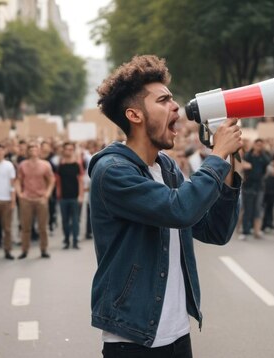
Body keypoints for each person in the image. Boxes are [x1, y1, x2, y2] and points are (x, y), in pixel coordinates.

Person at [89, 55, 242, 357]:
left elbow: (214, 230)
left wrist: (232, 163)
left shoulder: (167, 167)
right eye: (164, 100)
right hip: (133, 339)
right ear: (134, 115)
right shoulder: (112, 171)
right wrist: (217, 157)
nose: (176, 107)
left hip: (177, 334)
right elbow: (179, 209)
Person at [15, 142, 55, 259]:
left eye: (35, 148)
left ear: (39, 151)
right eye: (30, 148)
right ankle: (24, 250)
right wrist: (20, 194)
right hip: (27, 198)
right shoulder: (22, 165)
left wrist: (47, 194)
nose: (33, 150)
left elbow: (51, 180)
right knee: (25, 227)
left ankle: (44, 249)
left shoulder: (45, 165)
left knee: (43, 227)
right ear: (27, 151)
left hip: (41, 198)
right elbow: (18, 180)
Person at [239, 139, 271, 240]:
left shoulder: (264, 157)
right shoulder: (248, 155)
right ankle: (245, 231)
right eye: (257, 144)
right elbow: (242, 164)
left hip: (259, 186)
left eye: (261, 145)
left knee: (258, 209)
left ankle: (257, 231)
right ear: (254, 145)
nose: (259, 147)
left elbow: (267, 164)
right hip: (248, 186)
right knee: (247, 209)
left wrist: (262, 152)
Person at [56, 142, 84, 249]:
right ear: (63, 150)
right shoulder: (61, 165)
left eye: (71, 149)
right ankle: (67, 239)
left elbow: (81, 181)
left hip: (75, 197)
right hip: (63, 197)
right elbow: (58, 181)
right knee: (65, 220)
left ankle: (75, 240)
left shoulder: (77, 164)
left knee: (76, 220)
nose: (69, 151)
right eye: (67, 149)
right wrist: (58, 194)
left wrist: (80, 195)